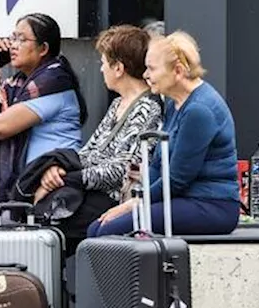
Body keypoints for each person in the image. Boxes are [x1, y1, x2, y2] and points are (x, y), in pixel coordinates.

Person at [87, 31, 240, 237]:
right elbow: (158, 164)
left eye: (151, 68)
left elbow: (177, 179)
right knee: (97, 228)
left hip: (211, 205)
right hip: (184, 199)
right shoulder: (174, 103)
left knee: (108, 230)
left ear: (177, 71)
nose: (145, 75)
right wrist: (136, 199)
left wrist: (134, 204)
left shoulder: (199, 110)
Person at [33, 25, 163, 205]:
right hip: (92, 193)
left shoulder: (148, 108)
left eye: (103, 63)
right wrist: (58, 170)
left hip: (116, 201)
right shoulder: (118, 103)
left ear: (118, 68)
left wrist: (67, 179)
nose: (102, 69)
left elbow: (123, 170)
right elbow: (91, 153)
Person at [0, 13, 86, 188]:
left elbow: (1, 127)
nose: (13, 46)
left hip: (55, 180)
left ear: (43, 49)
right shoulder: (17, 84)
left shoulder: (53, 81)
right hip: (31, 182)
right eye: (13, 38)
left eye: (21, 40)